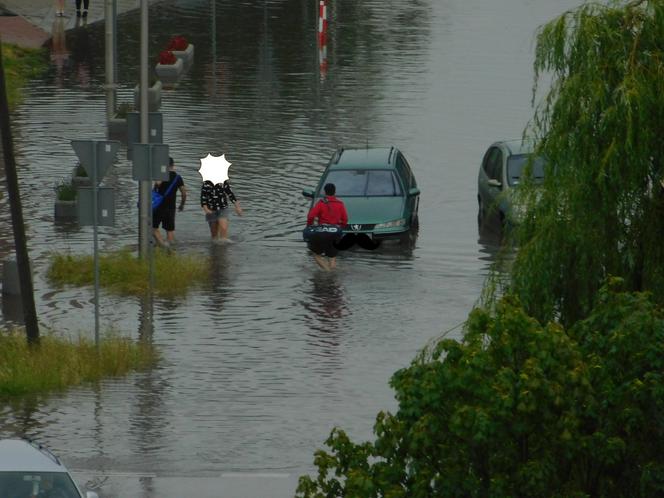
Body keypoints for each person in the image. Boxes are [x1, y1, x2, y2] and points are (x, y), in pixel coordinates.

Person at [306, 183, 348, 270]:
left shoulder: (321, 203)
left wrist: (309, 226)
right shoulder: (340, 204)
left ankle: (327, 272)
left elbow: (311, 216)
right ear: (335, 192)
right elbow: (345, 219)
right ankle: (332, 274)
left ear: (325, 192)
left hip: (322, 232)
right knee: (332, 256)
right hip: (335, 232)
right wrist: (340, 227)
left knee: (317, 255)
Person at [152, 157, 186, 248]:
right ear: (173, 165)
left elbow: (158, 183)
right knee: (169, 230)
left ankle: (163, 245)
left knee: (152, 227)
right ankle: (171, 249)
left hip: (159, 206)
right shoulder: (178, 177)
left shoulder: (162, 175)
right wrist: (182, 204)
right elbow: (184, 193)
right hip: (171, 208)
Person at [200, 179, 243, 244]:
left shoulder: (223, 182)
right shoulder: (206, 183)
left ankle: (224, 248)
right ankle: (215, 250)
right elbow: (203, 197)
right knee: (214, 234)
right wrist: (206, 209)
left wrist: (237, 207)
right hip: (211, 209)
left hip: (223, 208)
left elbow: (230, 194)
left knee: (223, 228)